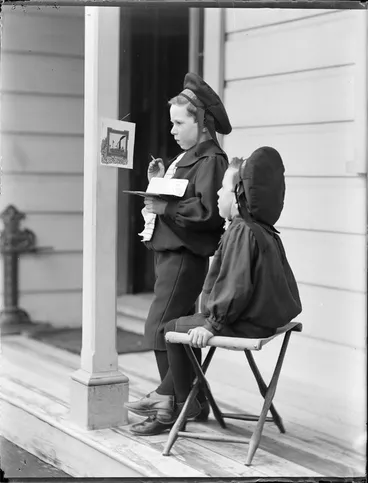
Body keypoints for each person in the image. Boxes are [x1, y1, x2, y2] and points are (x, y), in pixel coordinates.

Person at [128, 147, 302, 436]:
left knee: (171, 329)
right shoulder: (259, 228)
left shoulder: (241, 232)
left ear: (238, 199)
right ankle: (174, 398)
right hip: (261, 318)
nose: (218, 195)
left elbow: (235, 286)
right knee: (177, 325)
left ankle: (182, 401)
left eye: (222, 190)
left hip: (244, 321)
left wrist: (212, 324)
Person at [125, 73, 232, 427]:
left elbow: (204, 212)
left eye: (178, 122)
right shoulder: (189, 157)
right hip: (171, 252)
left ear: (201, 123)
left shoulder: (211, 159)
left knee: (160, 327)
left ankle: (168, 403)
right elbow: (179, 201)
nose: (172, 130)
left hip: (185, 255)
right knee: (175, 327)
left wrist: (165, 207)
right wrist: (159, 182)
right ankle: (190, 401)